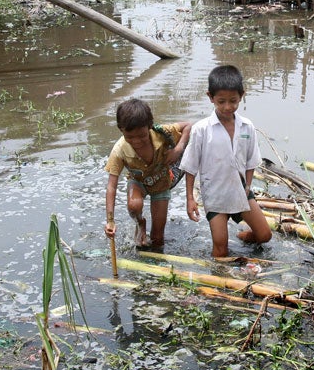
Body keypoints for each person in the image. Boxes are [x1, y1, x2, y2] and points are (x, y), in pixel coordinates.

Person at [180, 65, 273, 259]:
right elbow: (190, 166)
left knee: (264, 235)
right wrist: (190, 198)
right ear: (210, 97)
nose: (227, 107)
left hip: (240, 191)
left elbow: (251, 161)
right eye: (221, 101)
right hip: (215, 195)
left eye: (233, 101)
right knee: (221, 250)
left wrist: (248, 186)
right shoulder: (201, 129)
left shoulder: (247, 126)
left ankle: (243, 236)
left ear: (242, 96)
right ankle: (220, 280)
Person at [104, 98, 191, 250]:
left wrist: (178, 150)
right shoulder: (119, 150)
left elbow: (188, 126)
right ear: (121, 130)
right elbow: (111, 186)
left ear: (149, 127)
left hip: (161, 183)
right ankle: (140, 223)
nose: (136, 141)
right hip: (138, 183)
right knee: (134, 205)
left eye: (142, 136)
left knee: (158, 238)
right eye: (130, 137)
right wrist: (110, 220)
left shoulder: (162, 132)